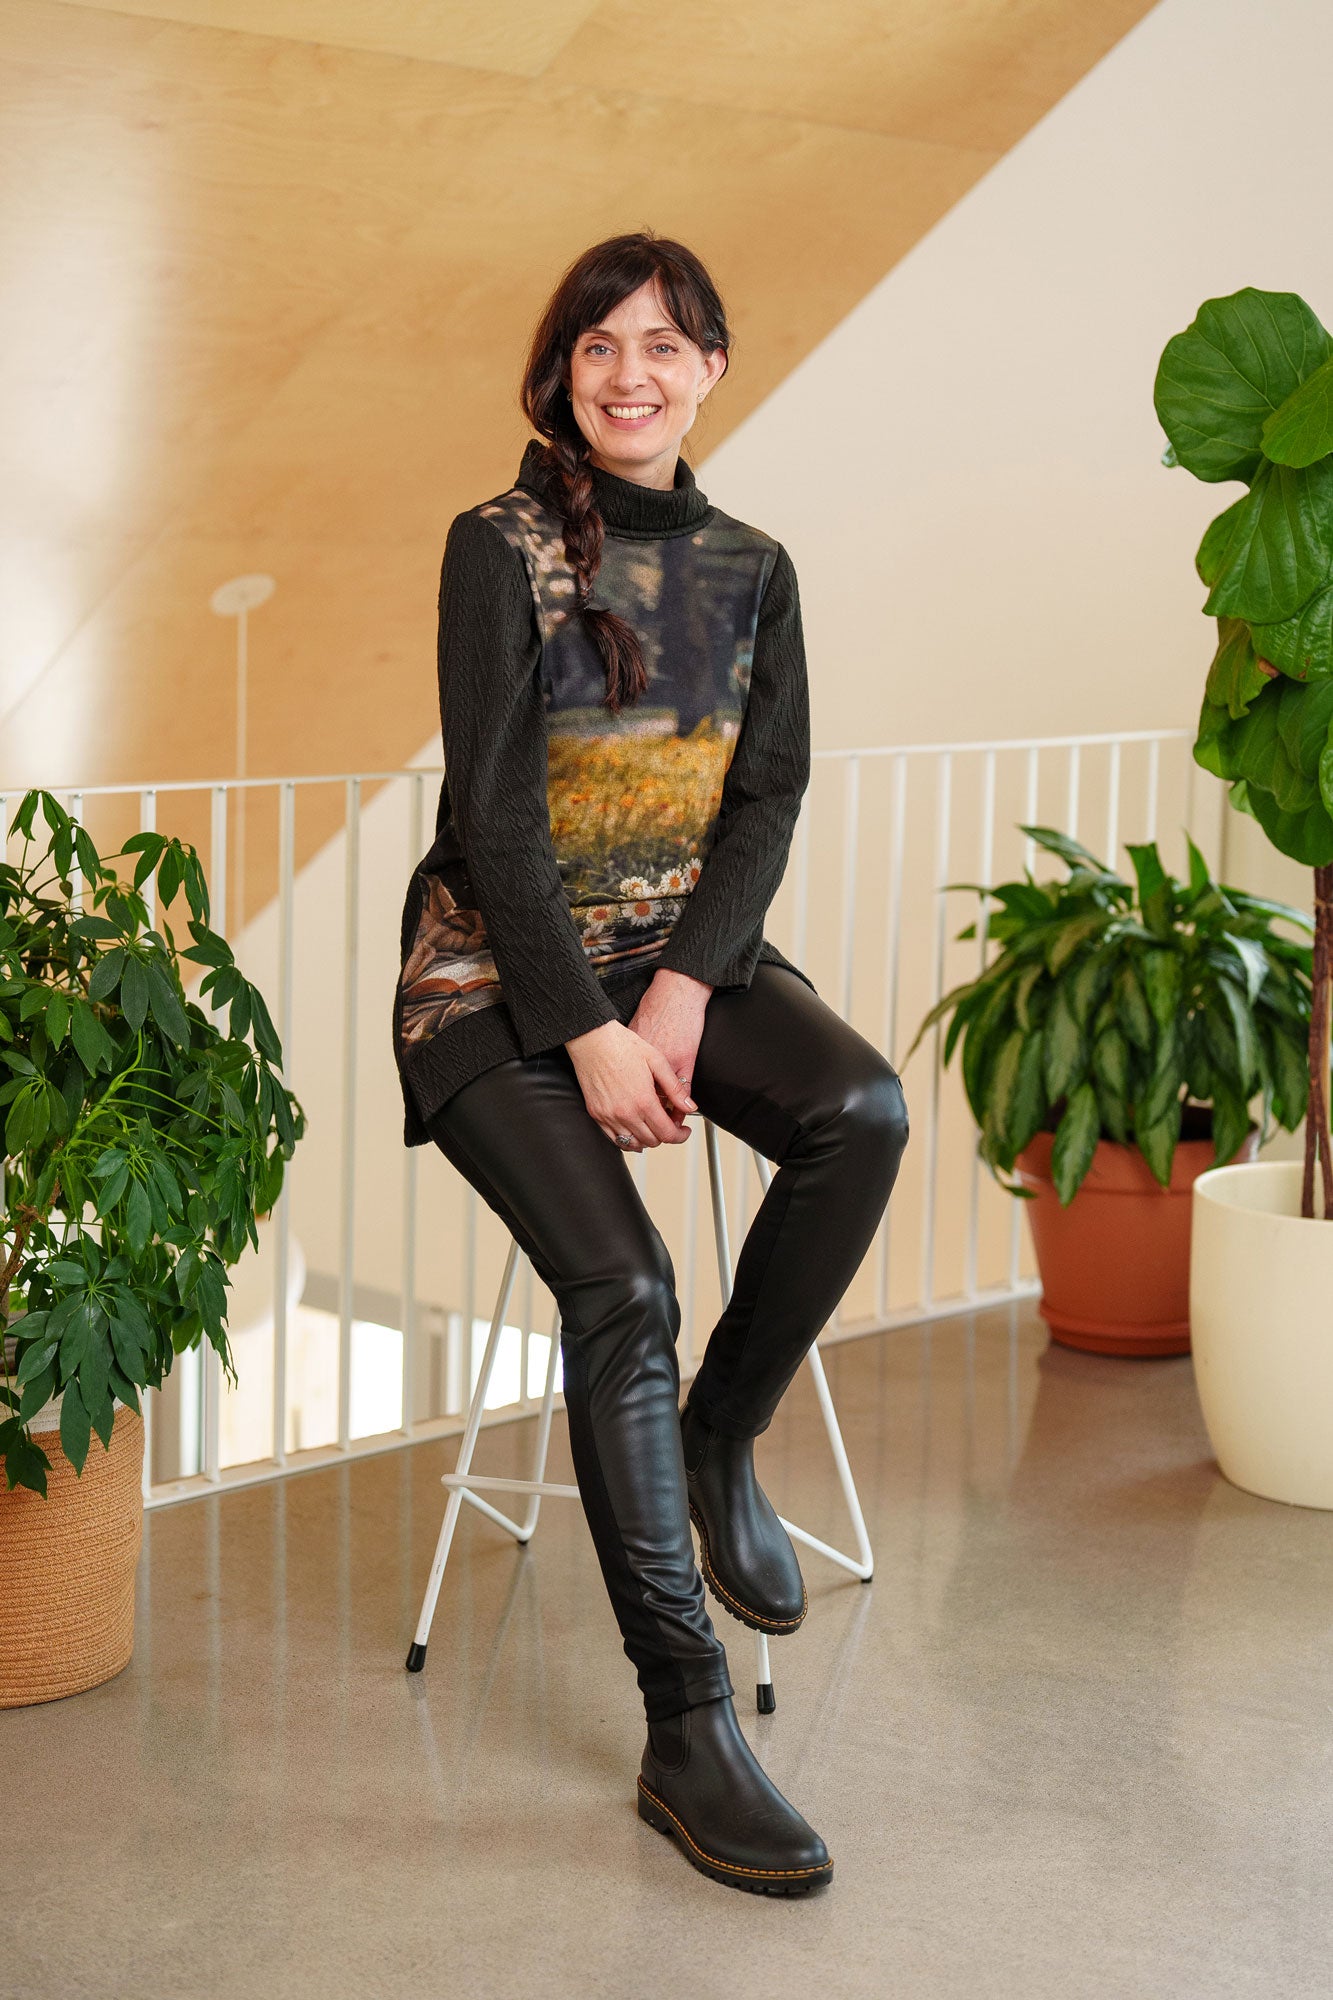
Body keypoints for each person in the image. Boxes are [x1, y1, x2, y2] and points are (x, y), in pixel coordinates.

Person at [391, 230, 909, 1895]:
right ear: (561, 373)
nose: (630, 375)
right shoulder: (503, 547)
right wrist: (590, 1029)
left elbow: (764, 797)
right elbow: (496, 820)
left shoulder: (752, 563)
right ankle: (685, 1729)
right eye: (599, 346)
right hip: (493, 976)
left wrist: (679, 994)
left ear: (709, 368)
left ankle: (715, 1438)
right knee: (622, 1293)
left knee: (861, 1109)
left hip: (675, 959)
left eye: (663, 347)